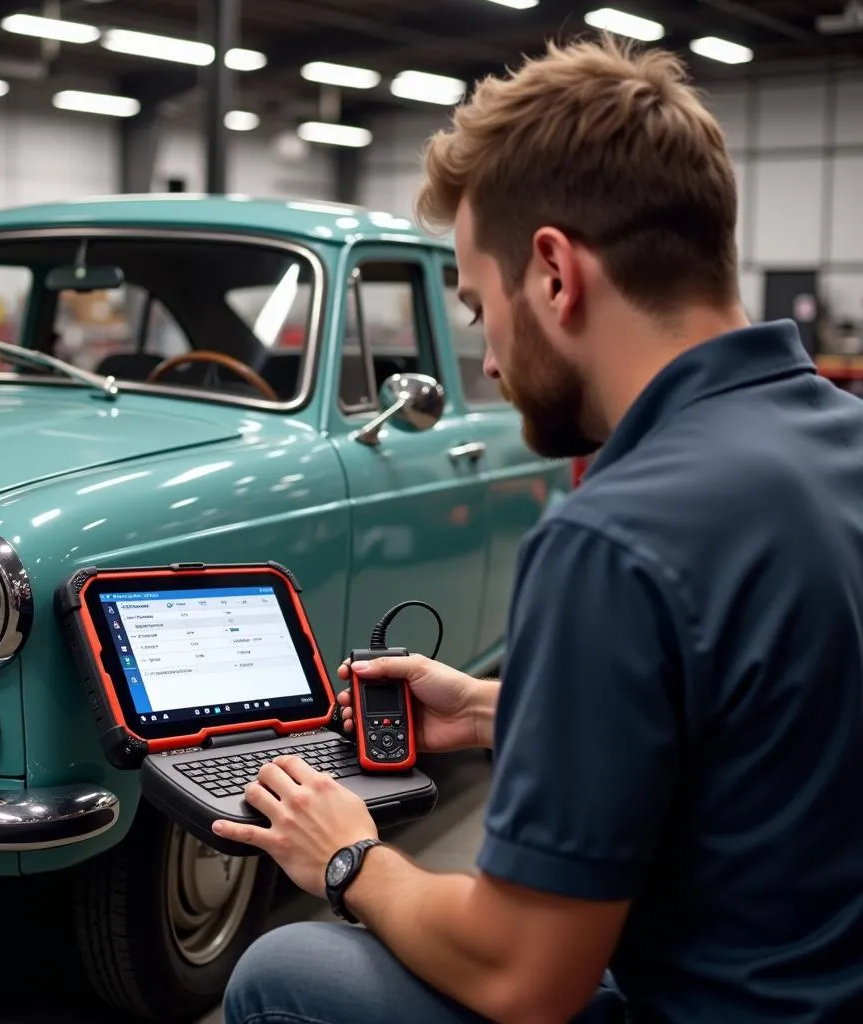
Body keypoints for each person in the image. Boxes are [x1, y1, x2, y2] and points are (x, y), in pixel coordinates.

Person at [213, 32, 863, 1024]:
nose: (489, 355)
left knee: (286, 969)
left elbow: (526, 977)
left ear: (553, 274)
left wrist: (348, 857)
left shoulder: (613, 538)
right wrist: (488, 709)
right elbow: (759, 712)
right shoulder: (839, 443)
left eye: (477, 306)